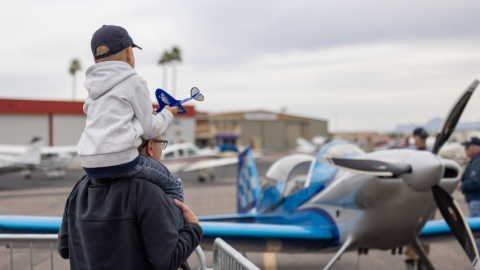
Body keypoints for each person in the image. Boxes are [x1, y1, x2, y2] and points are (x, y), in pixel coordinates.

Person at [77, 25, 185, 230]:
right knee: (173, 184)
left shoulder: (91, 87)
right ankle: (176, 237)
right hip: (122, 161)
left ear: (95, 61)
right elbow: (151, 130)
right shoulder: (134, 81)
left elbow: (104, 119)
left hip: (90, 164)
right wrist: (168, 113)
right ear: (129, 53)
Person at [58, 133, 202, 270]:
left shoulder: (80, 186)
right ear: (150, 147)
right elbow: (167, 261)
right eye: (161, 144)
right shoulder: (147, 192)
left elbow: (64, 248)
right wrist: (193, 228)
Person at [405, 127, 432, 270]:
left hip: (427, 200)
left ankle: (422, 260)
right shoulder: (407, 154)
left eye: (425, 138)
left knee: (427, 230)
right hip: (411, 200)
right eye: (421, 137)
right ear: (414, 138)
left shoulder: (431, 154)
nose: (423, 140)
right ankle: (410, 260)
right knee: (410, 229)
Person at [460, 137, 480, 250]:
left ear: (476, 149)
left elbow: (475, 182)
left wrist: (462, 186)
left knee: (477, 235)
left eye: (467, 147)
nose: (465, 149)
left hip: (476, 202)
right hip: (475, 201)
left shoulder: (477, 162)